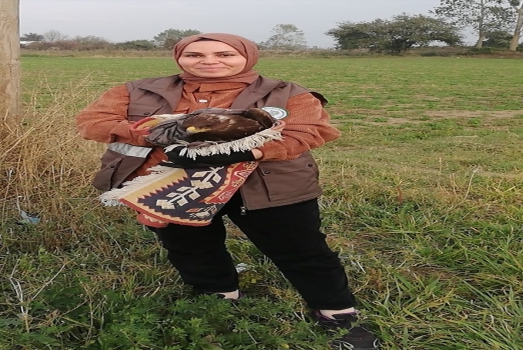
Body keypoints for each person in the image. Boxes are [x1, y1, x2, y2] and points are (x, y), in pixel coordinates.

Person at [75, 33, 380, 349]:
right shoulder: (137, 89)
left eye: (224, 54)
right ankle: (218, 296)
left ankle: (338, 314)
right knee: (190, 244)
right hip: (169, 182)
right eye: (195, 55)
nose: (209, 61)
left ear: (247, 56)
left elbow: (309, 132)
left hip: (268, 184)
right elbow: (93, 122)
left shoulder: (287, 93)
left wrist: (248, 152)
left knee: (300, 248)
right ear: (179, 57)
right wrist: (169, 132)